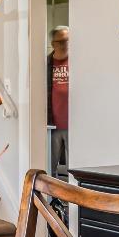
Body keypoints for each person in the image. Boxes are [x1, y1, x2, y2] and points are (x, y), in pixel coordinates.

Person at [47, 26, 69, 178]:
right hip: (52, 125)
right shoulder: (46, 63)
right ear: (53, 43)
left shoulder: (78, 61)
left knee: (74, 166)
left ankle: (74, 201)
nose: (65, 44)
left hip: (73, 124)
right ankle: (53, 200)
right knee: (50, 166)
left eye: (67, 41)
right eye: (61, 41)